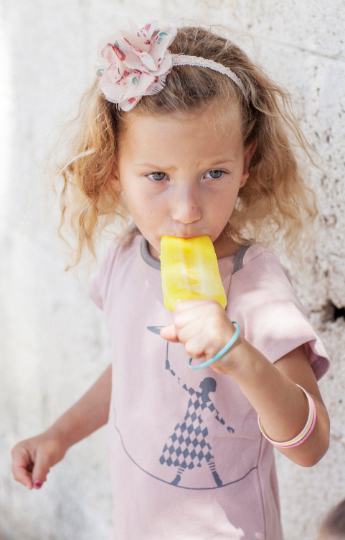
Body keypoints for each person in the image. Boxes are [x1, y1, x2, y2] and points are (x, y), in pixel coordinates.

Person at [11, 21, 331, 540]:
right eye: (157, 176)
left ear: (246, 163)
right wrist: (59, 435)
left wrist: (238, 354)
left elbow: (311, 446)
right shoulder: (122, 258)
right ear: (114, 168)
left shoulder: (254, 285)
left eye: (214, 174)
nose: (186, 211)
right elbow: (134, 373)